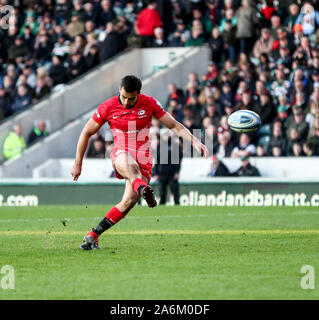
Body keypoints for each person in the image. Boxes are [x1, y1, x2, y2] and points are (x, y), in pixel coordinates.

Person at [70, 75, 208, 250]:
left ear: (139, 94)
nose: (127, 102)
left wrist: (194, 141)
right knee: (130, 167)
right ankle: (143, 189)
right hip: (121, 153)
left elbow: (173, 125)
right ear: (120, 89)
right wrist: (78, 163)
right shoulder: (108, 107)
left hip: (144, 158)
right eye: (124, 97)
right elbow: (86, 133)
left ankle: (93, 235)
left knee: (128, 202)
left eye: (132, 98)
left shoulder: (149, 103)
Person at [154, 129, 182, 205]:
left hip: (172, 173)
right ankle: (162, 207)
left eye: (166, 134)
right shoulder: (159, 145)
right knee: (162, 193)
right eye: (164, 135)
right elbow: (157, 161)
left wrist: (177, 172)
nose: (165, 136)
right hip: (162, 173)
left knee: (175, 192)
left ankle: (177, 205)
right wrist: (156, 173)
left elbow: (178, 160)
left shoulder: (175, 145)